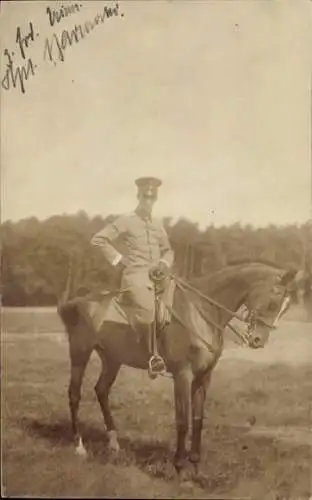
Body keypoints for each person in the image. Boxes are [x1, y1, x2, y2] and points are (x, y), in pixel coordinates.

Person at [91, 177, 175, 378]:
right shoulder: (126, 220)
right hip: (135, 277)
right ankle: (153, 357)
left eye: (152, 198)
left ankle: (174, 353)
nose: (149, 201)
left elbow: (168, 250)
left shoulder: (158, 223)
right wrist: (121, 260)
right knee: (148, 310)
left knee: (178, 306)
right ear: (138, 196)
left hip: (159, 277)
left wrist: (164, 264)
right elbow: (98, 239)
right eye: (145, 197)